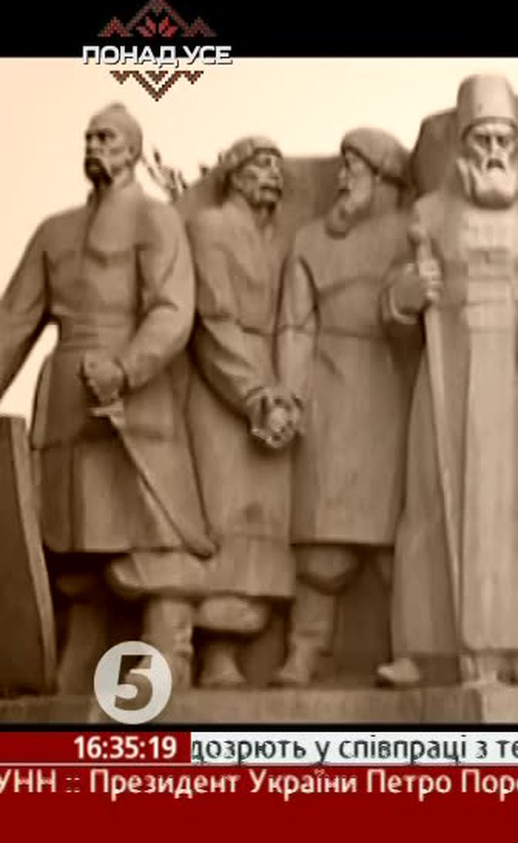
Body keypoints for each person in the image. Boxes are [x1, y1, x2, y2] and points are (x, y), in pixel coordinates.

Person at [0, 103, 212, 691]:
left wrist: (127, 368)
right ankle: (85, 647)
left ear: (133, 151)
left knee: (155, 527)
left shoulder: (154, 218)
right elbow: (13, 322)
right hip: (67, 398)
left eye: (107, 137)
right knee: (74, 535)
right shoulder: (54, 231)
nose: (94, 145)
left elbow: (172, 308)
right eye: (89, 136)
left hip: (133, 393)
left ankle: (168, 652)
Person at [376, 75, 518, 687]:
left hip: (516, 372)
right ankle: (425, 648)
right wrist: (404, 297)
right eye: (482, 139)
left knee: (515, 508)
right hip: (446, 367)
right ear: (461, 147)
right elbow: (390, 308)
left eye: (504, 139)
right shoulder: (428, 215)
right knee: (432, 500)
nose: (493, 151)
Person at [272, 128, 417, 686]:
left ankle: (409, 647)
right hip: (329, 389)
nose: (342, 178)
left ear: (383, 178)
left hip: (391, 386)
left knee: (396, 537)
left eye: (354, 167)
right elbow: (295, 326)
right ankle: (305, 648)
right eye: (342, 166)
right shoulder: (310, 240)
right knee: (321, 533)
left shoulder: (410, 231)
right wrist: (290, 394)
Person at [185, 136, 298, 688]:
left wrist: (283, 393)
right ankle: (216, 652)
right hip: (223, 387)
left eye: (277, 166)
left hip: (272, 379)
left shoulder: (276, 241)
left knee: (266, 522)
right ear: (233, 173)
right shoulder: (209, 228)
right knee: (223, 518)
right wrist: (254, 394)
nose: (272, 175)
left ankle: (258, 640)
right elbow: (212, 320)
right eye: (261, 165)